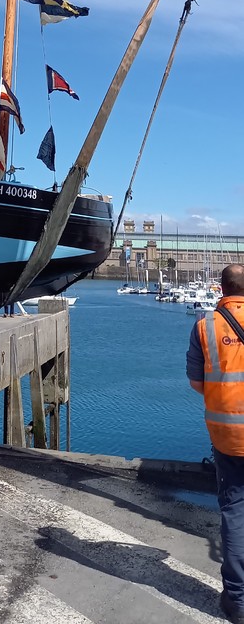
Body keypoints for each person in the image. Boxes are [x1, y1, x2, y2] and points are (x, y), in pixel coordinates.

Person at [186, 264, 244, 623]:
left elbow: (196, 382)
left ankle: (238, 601)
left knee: (235, 512)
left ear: (221, 288)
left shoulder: (205, 326)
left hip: (228, 435)